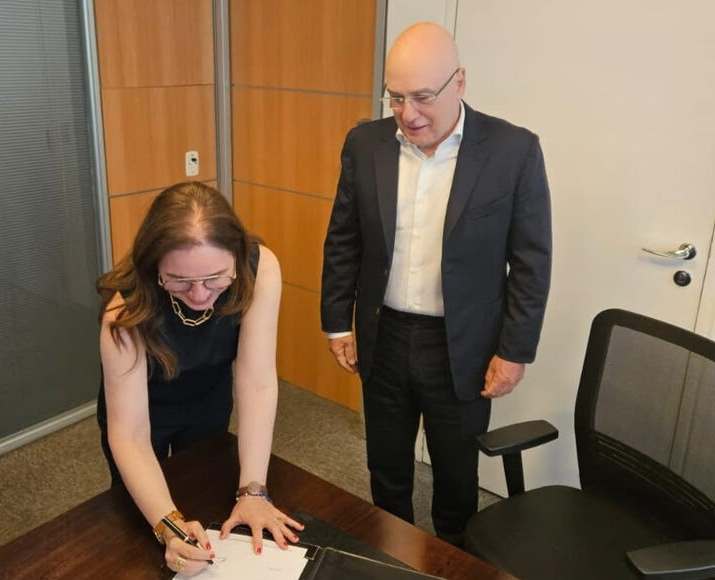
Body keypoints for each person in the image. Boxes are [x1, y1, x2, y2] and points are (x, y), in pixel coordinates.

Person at [321, 22, 552, 544]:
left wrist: (514, 350)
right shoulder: (366, 143)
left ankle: (454, 558)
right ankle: (392, 550)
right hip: (384, 334)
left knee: (455, 474)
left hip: (463, 345)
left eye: (423, 97)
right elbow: (344, 239)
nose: (409, 114)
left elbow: (531, 262)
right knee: (386, 463)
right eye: (396, 97)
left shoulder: (513, 151)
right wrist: (338, 322)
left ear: (460, 82)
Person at [96, 182, 303, 577]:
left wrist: (255, 491)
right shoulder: (125, 308)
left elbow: (257, 382)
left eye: (214, 279)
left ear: (236, 259)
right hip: (141, 408)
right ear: (154, 265)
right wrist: (169, 528)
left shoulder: (260, 268)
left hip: (209, 393)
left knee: (208, 494)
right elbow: (130, 435)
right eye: (179, 281)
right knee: (140, 526)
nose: (198, 295)